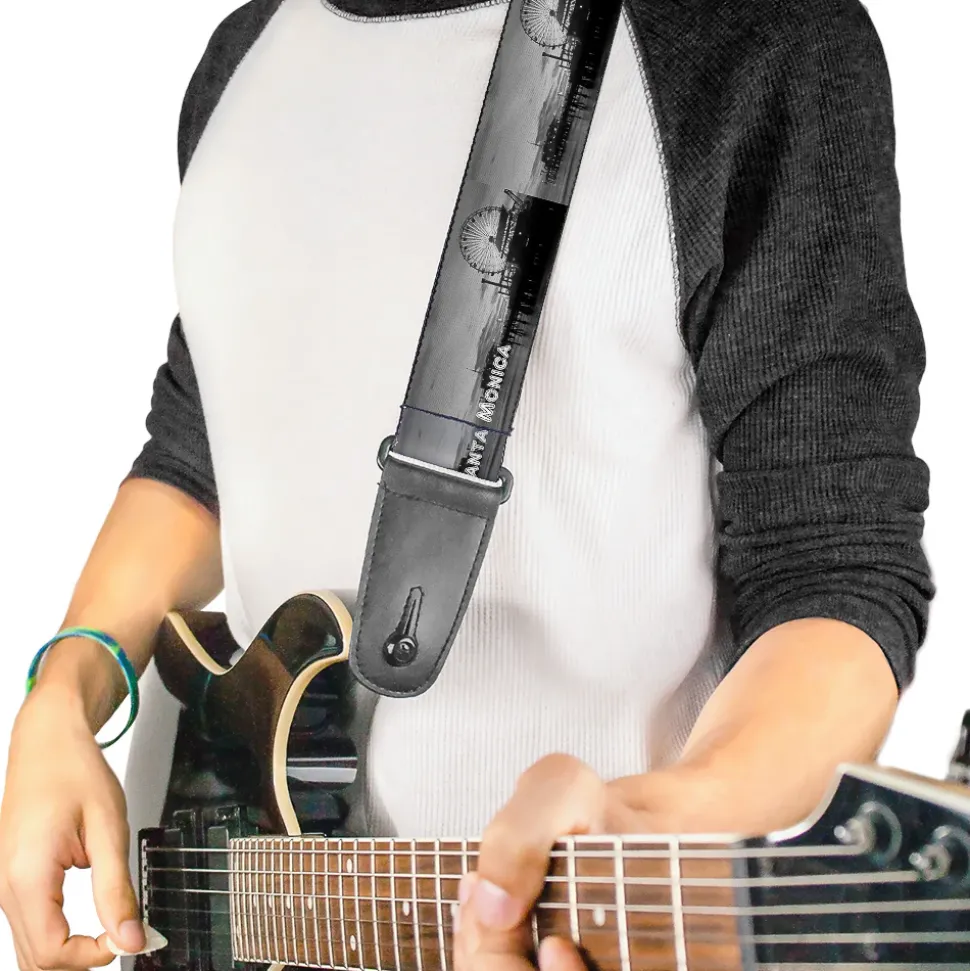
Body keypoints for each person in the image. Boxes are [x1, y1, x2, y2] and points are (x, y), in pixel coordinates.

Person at [0, 0, 935, 968]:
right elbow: (198, 454)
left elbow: (834, 573)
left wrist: (657, 821)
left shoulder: (753, 39)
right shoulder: (241, 58)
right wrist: (64, 691)